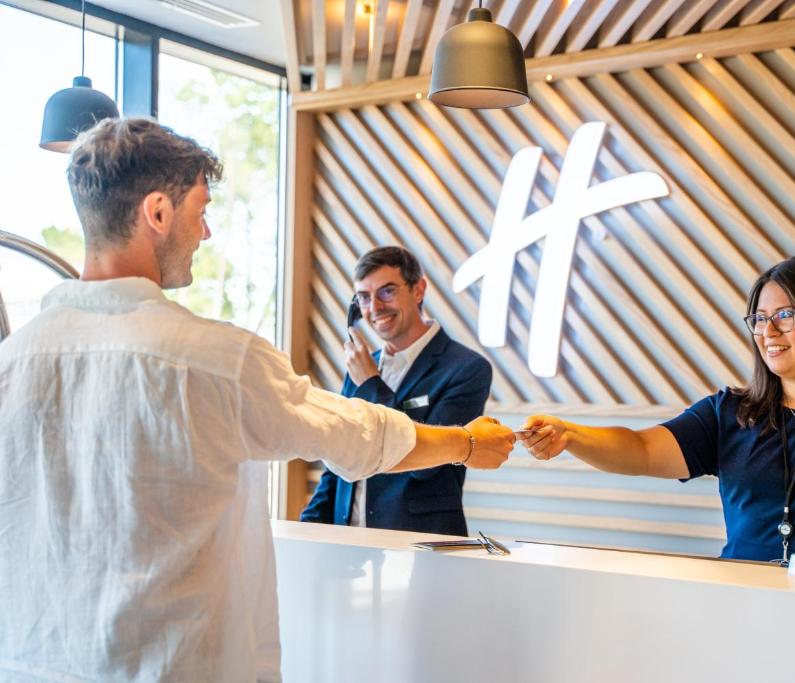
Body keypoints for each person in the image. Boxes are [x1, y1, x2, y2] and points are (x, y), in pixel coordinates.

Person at [0, 118, 513, 682]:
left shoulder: (11, 363)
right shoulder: (216, 359)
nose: (206, 233)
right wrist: (466, 443)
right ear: (158, 213)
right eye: (200, 211)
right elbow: (356, 436)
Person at [519, 255, 795, 563]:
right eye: (759, 318)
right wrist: (571, 435)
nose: (769, 331)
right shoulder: (731, 413)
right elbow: (641, 449)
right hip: (740, 605)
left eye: (785, 314)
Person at [301, 246, 491, 535]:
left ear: (418, 290)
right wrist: (305, 532)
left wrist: (371, 385)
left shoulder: (466, 369)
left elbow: (426, 462)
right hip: (349, 544)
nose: (374, 308)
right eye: (364, 298)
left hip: (418, 546)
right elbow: (339, 455)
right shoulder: (364, 365)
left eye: (387, 291)